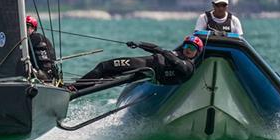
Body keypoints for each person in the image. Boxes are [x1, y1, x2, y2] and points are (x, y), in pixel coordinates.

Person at [68, 35, 204, 92]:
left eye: (192, 49)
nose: (188, 50)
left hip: (147, 70)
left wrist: (162, 51)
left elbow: (177, 65)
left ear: (196, 53)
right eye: (187, 46)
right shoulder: (176, 53)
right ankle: (75, 88)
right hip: (143, 63)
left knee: (104, 68)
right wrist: (139, 44)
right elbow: (156, 48)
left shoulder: (189, 66)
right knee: (104, 68)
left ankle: (74, 89)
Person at [25, 15, 59, 82]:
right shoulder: (41, 38)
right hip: (50, 76)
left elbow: (18, 53)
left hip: (43, 75)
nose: (24, 29)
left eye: (27, 26)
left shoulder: (35, 37)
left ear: (33, 28)